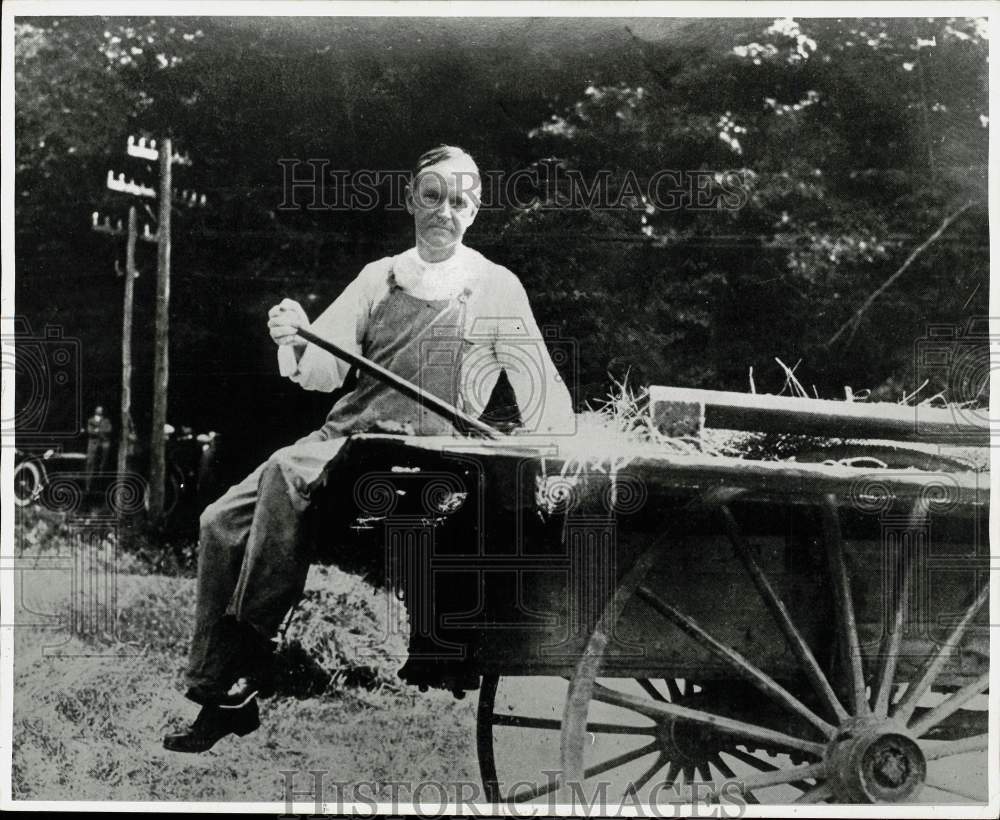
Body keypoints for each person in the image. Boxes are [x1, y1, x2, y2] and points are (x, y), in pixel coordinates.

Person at [164, 145, 575, 752]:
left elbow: (540, 387)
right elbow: (322, 371)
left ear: (475, 212)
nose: (444, 211)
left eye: (459, 201)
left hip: (427, 457)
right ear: (412, 199)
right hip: (347, 442)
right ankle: (221, 694)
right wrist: (293, 333)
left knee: (283, 469)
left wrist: (562, 451)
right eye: (432, 196)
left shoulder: (495, 287)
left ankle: (251, 660)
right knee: (218, 521)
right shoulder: (379, 276)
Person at [83, 405, 112, 494]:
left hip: (103, 444)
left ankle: (100, 485)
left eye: (101, 410)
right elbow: (90, 431)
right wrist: (100, 431)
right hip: (93, 445)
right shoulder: (91, 420)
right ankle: (88, 486)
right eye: (98, 410)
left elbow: (109, 430)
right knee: (90, 463)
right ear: (95, 411)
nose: (100, 411)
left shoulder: (106, 420)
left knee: (102, 464)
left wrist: (97, 430)